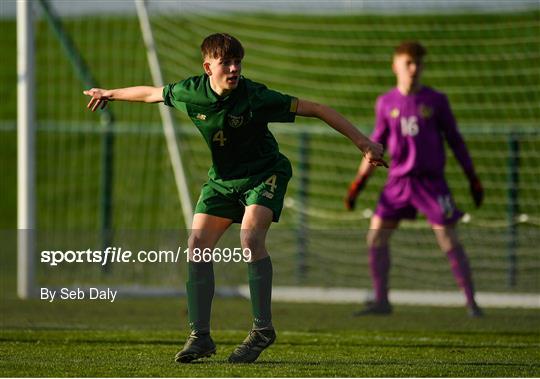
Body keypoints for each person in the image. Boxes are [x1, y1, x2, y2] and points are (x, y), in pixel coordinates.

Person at [84, 33, 386, 363]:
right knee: (196, 244)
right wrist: (109, 94)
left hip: (264, 173)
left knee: (249, 237)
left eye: (237, 62)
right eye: (226, 62)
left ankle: (262, 330)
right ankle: (199, 337)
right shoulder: (191, 92)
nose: (233, 68)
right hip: (222, 182)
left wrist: (363, 142)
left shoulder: (254, 96)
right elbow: (151, 94)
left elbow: (316, 108)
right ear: (207, 67)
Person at [345, 41, 484, 318]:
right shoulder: (386, 103)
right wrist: (357, 184)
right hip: (398, 182)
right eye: (408, 63)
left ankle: (471, 302)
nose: (414, 69)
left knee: (447, 238)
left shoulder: (435, 101)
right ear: (395, 65)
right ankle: (381, 300)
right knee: (376, 236)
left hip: (431, 182)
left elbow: (455, 141)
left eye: (418, 63)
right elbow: (375, 146)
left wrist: (472, 177)